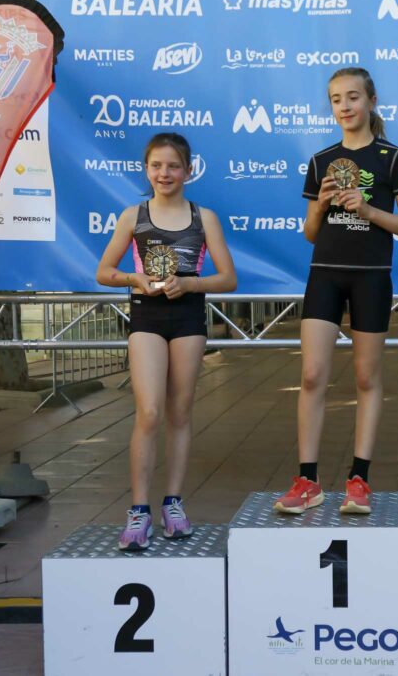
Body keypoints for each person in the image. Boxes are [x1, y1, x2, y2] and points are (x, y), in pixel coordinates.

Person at [273, 67, 398, 515]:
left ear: (372, 101)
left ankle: (360, 480)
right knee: (312, 375)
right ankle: (308, 481)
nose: (345, 106)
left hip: (371, 276)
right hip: (324, 275)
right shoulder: (321, 161)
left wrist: (369, 210)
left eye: (353, 97)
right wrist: (320, 207)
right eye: (336, 99)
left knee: (366, 378)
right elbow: (310, 233)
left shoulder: (392, 157)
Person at [96, 133, 236, 551]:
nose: (164, 173)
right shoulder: (133, 216)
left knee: (179, 411)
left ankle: (173, 503)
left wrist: (190, 284)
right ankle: (139, 509)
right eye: (156, 165)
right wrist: (134, 278)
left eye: (173, 166)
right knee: (150, 411)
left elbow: (228, 278)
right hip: (146, 317)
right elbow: (104, 271)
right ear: (146, 169)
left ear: (188, 171)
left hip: (188, 318)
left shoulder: (203, 218)